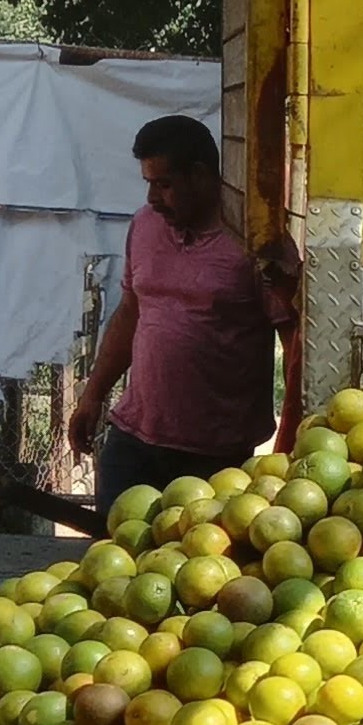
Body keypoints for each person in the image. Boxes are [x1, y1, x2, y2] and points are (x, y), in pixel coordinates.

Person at [67, 115, 299, 505]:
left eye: (165, 184)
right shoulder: (144, 226)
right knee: (111, 558)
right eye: (148, 184)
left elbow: (294, 343)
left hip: (216, 458)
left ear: (201, 176)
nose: (152, 198)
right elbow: (130, 313)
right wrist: (92, 395)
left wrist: (292, 434)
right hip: (133, 439)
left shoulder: (257, 244)